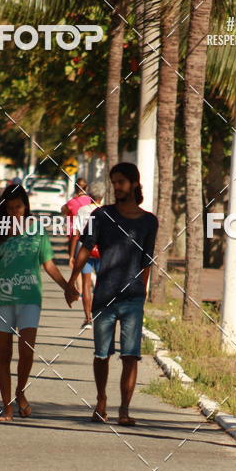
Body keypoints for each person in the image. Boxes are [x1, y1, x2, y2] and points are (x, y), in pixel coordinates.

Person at [0, 184, 78, 422]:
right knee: (3, 354)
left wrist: (67, 288)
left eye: (18, 207)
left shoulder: (37, 230)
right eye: (9, 208)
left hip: (30, 298)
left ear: (26, 206)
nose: (14, 212)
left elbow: (48, 264)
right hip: (2, 299)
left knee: (26, 352)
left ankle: (20, 391)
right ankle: (7, 406)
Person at [65, 163, 158, 426]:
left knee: (131, 356)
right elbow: (86, 248)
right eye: (113, 182)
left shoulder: (149, 221)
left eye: (121, 182)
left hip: (132, 299)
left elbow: (146, 261)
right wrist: (72, 280)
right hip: (104, 296)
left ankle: (125, 410)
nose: (116, 187)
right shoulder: (101, 215)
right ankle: (101, 400)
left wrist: (142, 292)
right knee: (101, 354)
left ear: (134, 184)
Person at [72, 182, 104, 328]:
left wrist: (73, 254)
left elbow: (77, 233)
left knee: (86, 283)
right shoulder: (106, 211)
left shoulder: (82, 210)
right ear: (102, 196)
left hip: (85, 251)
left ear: (89, 195)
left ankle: (88, 318)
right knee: (101, 284)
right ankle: (99, 316)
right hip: (102, 252)